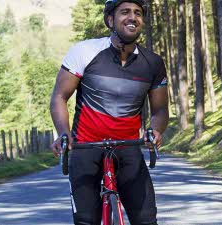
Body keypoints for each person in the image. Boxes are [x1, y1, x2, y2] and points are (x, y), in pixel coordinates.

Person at [49, 0, 168, 223]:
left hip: (128, 147)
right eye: (125, 12)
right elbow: (59, 97)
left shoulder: (152, 63)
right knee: (86, 221)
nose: (132, 17)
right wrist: (64, 133)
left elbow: (160, 110)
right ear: (110, 20)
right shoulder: (85, 51)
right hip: (86, 147)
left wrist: (155, 130)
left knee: (147, 220)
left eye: (138, 13)